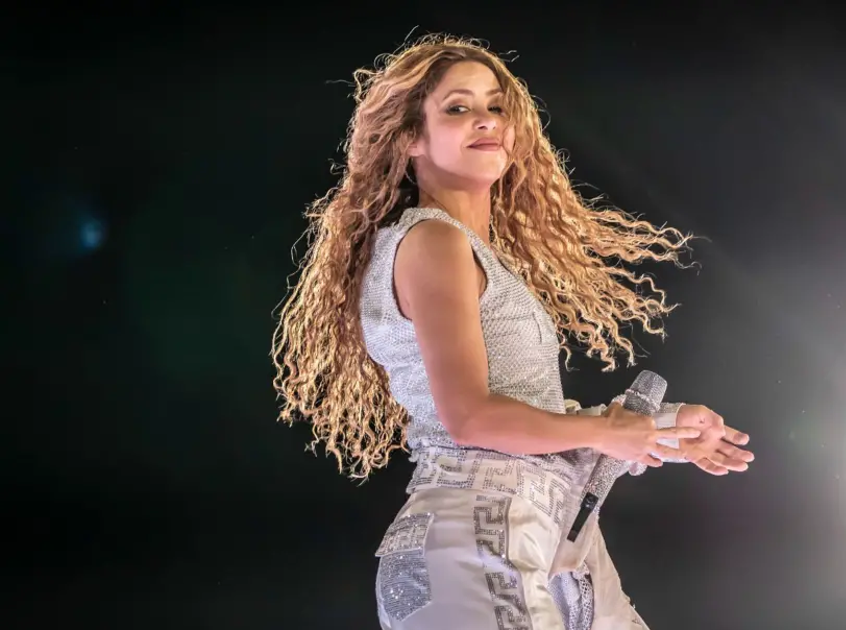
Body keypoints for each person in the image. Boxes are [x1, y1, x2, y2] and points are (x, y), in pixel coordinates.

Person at [270, 34, 755, 630]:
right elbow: (471, 420)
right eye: (458, 107)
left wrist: (658, 430)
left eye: (496, 106)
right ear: (410, 138)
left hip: (544, 542)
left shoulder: (473, 253)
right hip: (472, 544)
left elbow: (531, 421)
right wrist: (609, 431)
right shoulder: (432, 241)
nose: (486, 120)